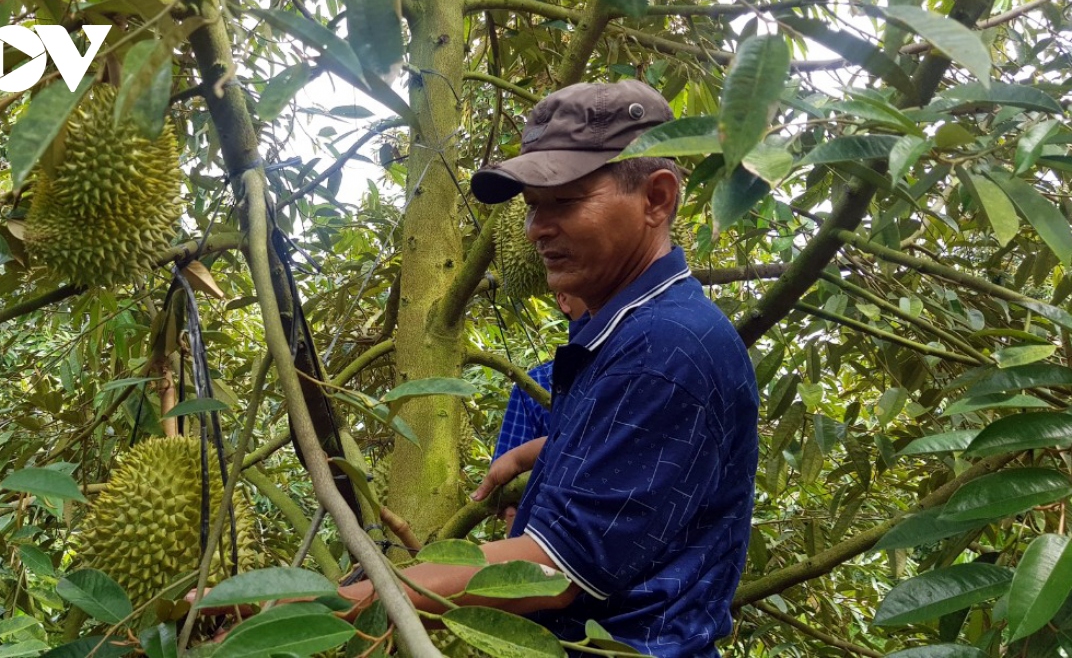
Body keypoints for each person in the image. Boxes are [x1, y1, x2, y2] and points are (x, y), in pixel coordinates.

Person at [206, 80, 758, 657]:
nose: (536, 230)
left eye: (565, 201)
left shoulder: (665, 347)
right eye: (533, 207)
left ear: (656, 199)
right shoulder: (631, 332)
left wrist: (327, 603)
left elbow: (553, 570)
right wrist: (542, 449)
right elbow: (643, 463)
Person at [492, 292, 587, 532]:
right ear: (564, 299)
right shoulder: (536, 384)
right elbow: (509, 493)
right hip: (547, 540)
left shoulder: (644, 367)